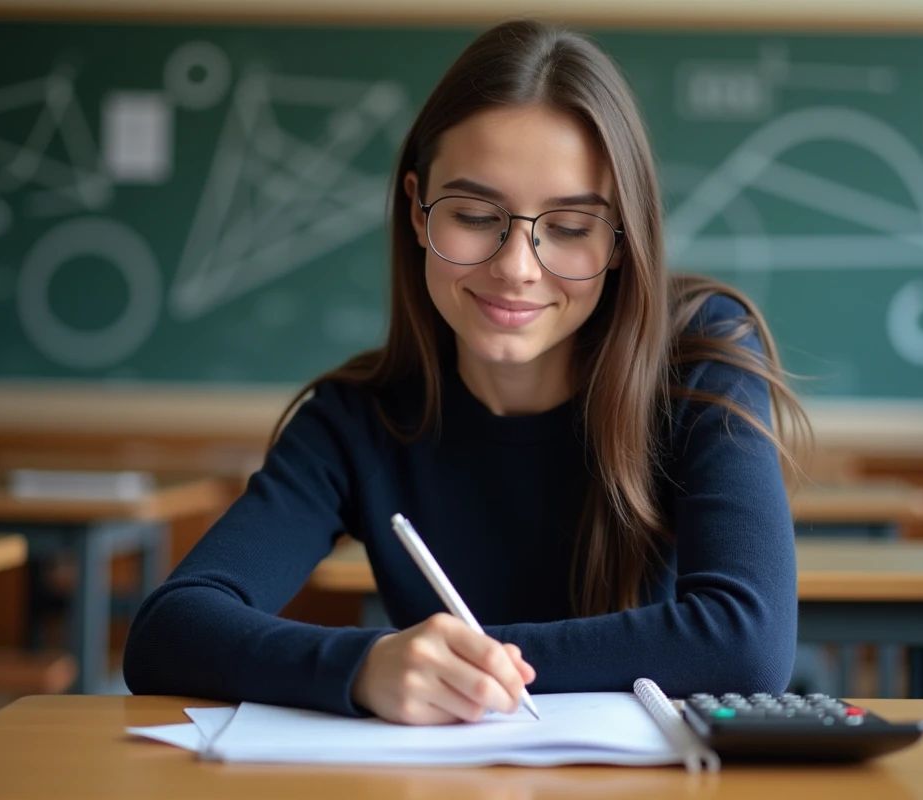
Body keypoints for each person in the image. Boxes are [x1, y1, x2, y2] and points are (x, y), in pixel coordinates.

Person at [124, 19, 808, 725]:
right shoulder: (358, 418)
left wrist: (455, 666)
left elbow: (747, 644)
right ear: (418, 211)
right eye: (475, 215)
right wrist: (365, 668)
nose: (516, 268)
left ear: (621, 240)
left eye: (572, 228)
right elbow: (171, 629)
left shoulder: (700, 355)